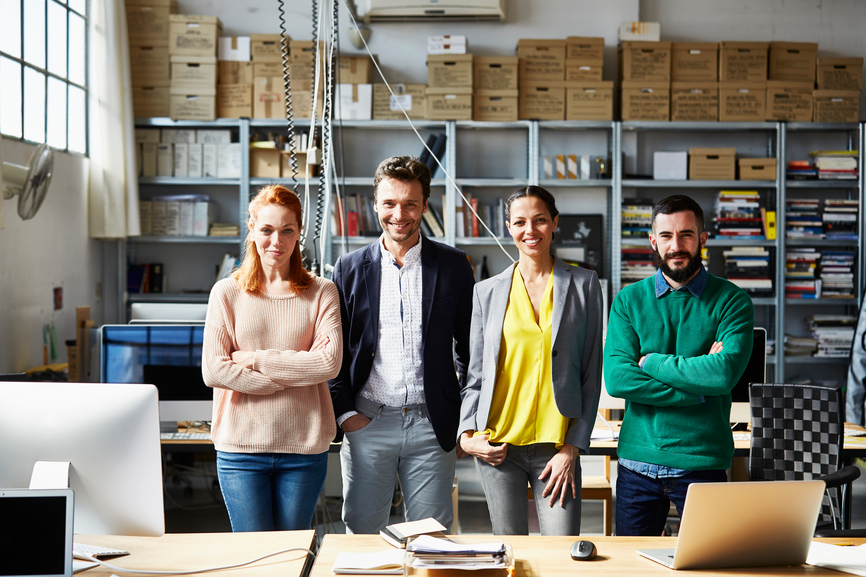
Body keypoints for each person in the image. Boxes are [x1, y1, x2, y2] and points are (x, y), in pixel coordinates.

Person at [329, 156, 475, 534]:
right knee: (361, 535)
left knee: (431, 539)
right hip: (368, 421)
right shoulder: (347, 268)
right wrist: (346, 416)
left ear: (425, 205)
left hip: (432, 423)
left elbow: (470, 349)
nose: (400, 214)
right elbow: (334, 352)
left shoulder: (454, 264)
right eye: (390, 203)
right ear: (375, 203)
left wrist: (464, 419)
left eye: (411, 203)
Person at [603, 194, 754, 536]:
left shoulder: (732, 301)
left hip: (702, 463)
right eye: (667, 236)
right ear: (653, 242)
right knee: (633, 570)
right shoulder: (629, 300)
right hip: (637, 464)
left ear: (702, 238)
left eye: (686, 235)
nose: (676, 245)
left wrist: (650, 361)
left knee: (708, 567)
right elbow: (617, 380)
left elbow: (722, 374)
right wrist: (695, 389)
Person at [458, 185, 604, 536]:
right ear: (509, 226)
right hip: (499, 445)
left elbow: (590, 370)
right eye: (520, 222)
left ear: (554, 223)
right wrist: (466, 434)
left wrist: (572, 447)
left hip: (556, 447)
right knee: (509, 552)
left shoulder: (584, 284)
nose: (530, 230)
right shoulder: (486, 292)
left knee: (560, 552)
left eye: (540, 220)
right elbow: (475, 374)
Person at [202, 184, 342, 532]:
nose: (275, 241)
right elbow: (214, 369)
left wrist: (252, 359)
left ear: (299, 234)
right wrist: (292, 373)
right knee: (255, 558)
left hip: (304, 447)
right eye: (266, 230)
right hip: (240, 450)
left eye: (286, 230)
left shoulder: (322, 291)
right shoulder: (226, 293)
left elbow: (327, 363)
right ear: (252, 229)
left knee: (293, 553)